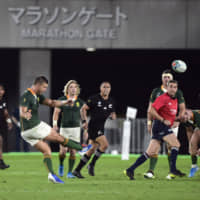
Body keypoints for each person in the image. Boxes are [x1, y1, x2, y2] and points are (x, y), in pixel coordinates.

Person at [20, 76, 91, 184]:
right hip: (33, 127)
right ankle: (80, 148)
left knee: (47, 150)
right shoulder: (27, 95)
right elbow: (22, 111)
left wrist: (65, 102)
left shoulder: (36, 96)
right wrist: (25, 114)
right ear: (38, 85)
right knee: (58, 137)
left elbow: (52, 103)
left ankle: (52, 175)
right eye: (44, 87)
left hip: (26, 132)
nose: (45, 90)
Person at [124, 80, 181, 180]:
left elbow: (170, 115)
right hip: (160, 126)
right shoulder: (162, 98)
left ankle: (130, 169)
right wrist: (162, 120)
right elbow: (151, 110)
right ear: (167, 88)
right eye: (171, 86)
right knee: (176, 144)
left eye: (175, 87)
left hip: (163, 126)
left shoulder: (175, 100)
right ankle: (172, 170)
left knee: (150, 152)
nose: (173, 89)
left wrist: (177, 120)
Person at [144, 69, 186, 179]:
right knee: (154, 147)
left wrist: (178, 120)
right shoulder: (156, 91)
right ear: (162, 79)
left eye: (168, 77)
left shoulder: (177, 91)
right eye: (164, 77)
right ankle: (151, 171)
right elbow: (150, 108)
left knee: (171, 146)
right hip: (158, 123)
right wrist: (149, 123)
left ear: (171, 79)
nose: (166, 79)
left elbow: (182, 108)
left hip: (172, 123)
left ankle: (171, 172)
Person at [72, 81, 116, 178]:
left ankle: (77, 170)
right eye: (104, 87)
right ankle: (91, 164)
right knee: (104, 145)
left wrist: (113, 116)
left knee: (91, 150)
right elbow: (83, 109)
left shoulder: (111, 101)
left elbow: (113, 113)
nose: (106, 89)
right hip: (94, 126)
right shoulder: (94, 98)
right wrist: (84, 121)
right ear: (100, 88)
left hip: (101, 127)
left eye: (108, 87)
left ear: (110, 89)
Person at [53, 80, 85, 178]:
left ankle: (70, 172)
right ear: (67, 89)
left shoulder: (80, 102)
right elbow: (56, 113)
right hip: (64, 129)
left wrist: (85, 123)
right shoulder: (62, 100)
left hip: (75, 129)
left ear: (77, 89)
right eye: (71, 87)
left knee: (73, 152)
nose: (73, 89)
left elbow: (83, 114)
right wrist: (54, 125)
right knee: (63, 151)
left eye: (75, 87)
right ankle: (61, 165)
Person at [181, 109, 200, 177]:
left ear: (189, 111)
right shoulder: (185, 119)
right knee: (192, 145)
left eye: (186, 113)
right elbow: (189, 131)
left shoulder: (197, 115)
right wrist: (190, 145)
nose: (185, 116)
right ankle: (194, 166)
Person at [0, 84, 12, 169]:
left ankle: (1, 162)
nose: (0, 91)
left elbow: (6, 113)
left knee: (0, 142)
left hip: (1, 125)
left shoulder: (3, 101)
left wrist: (9, 122)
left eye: (1, 90)